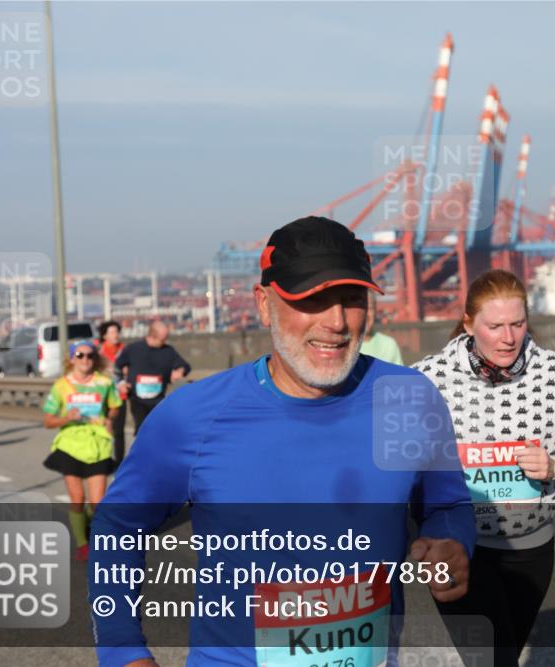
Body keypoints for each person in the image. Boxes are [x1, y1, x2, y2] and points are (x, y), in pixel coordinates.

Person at [90, 216, 475, 667]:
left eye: (352, 300)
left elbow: (448, 504)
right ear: (264, 304)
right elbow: (117, 527)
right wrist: (123, 651)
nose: (336, 322)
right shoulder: (193, 417)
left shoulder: (411, 398)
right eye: (312, 300)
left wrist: (452, 541)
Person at [412, 268, 555, 666]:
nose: (508, 337)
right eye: (495, 326)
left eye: (518, 324)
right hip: (459, 546)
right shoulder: (427, 379)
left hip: (532, 548)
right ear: (469, 324)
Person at [41, 340, 121, 561]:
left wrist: (109, 419)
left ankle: (88, 526)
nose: (85, 359)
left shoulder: (105, 383)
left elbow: (115, 406)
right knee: (77, 498)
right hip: (70, 445)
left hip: (97, 444)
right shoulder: (61, 386)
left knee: (97, 502)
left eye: (90, 355)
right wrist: (67, 418)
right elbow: (48, 421)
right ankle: (83, 543)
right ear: (71, 359)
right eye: (80, 355)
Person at [113, 321, 190, 435]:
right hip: (137, 399)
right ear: (152, 336)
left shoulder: (168, 351)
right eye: (162, 339)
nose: (165, 342)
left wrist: (180, 371)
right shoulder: (133, 349)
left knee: (159, 431)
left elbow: (185, 366)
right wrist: (121, 383)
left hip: (158, 399)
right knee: (142, 430)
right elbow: (117, 367)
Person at [97, 320, 128, 465]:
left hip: (120, 396)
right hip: (103, 397)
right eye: (112, 332)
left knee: (119, 431)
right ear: (104, 336)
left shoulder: (125, 351)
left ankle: (119, 463)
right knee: (103, 428)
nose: (116, 335)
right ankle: (103, 458)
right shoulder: (99, 353)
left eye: (117, 332)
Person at [359, 291, 404, 365]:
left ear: (375, 311)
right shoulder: (344, 346)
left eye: (369, 308)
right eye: (361, 308)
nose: (366, 314)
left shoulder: (389, 345)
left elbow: (398, 372)